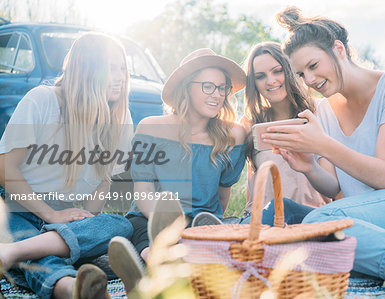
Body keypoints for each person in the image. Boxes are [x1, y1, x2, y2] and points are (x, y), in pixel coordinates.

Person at [260, 6, 385, 287]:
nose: (310, 80)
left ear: (338, 49)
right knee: (279, 217)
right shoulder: (324, 111)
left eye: (313, 66)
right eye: (301, 74)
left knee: (322, 221)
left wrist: (322, 144)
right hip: (374, 209)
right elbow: (333, 187)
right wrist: (309, 166)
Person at [0, 33, 134, 299]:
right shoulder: (42, 100)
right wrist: (51, 215)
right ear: (87, 67)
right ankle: (73, 289)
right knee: (46, 255)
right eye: (110, 67)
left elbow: (104, 179)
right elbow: (5, 168)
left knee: (121, 226)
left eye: (122, 68)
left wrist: (83, 220)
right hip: (20, 211)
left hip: (69, 220)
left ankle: (12, 254)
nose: (120, 76)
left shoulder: (119, 116)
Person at [108, 48, 247, 292]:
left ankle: (161, 270)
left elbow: (223, 194)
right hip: (152, 218)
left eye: (222, 87)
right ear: (186, 87)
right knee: (143, 235)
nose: (217, 95)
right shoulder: (151, 128)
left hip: (202, 221)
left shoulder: (233, 136)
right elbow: (143, 192)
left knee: (215, 235)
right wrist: (168, 226)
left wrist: (204, 224)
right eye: (207, 86)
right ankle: (154, 262)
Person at [241, 42, 331, 220]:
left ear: (290, 70)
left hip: (311, 217)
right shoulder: (250, 124)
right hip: (265, 222)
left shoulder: (319, 113)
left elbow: (337, 185)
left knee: (280, 207)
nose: (270, 81)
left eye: (277, 71)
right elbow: (255, 185)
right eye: (260, 76)